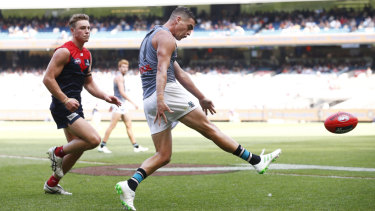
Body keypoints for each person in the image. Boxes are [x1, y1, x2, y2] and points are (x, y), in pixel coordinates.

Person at [115, 7, 281, 210]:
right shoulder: (167, 38)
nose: (189, 33)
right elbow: (161, 70)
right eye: (189, 27)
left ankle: (129, 185)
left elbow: (180, 73)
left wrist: (201, 97)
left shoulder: (152, 36)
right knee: (210, 129)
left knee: (163, 155)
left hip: (149, 98)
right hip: (165, 94)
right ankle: (256, 161)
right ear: (177, 20)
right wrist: (161, 98)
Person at [42, 14, 121, 195]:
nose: (87, 31)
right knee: (93, 140)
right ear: (72, 30)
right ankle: (57, 152)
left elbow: (89, 83)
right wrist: (65, 99)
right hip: (63, 105)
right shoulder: (64, 51)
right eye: (82, 28)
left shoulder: (87, 54)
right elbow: (47, 79)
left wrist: (106, 97)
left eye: (88, 28)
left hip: (75, 106)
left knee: (78, 148)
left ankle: (52, 184)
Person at [98, 59, 148, 153]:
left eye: (126, 67)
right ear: (119, 68)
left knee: (129, 125)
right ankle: (102, 146)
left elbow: (116, 92)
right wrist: (133, 103)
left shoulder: (119, 77)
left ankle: (136, 147)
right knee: (112, 125)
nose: (125, 69)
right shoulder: (119, 77)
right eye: (123, 67)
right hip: (119, 104)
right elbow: (121, 92)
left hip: (121, 104)